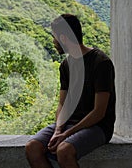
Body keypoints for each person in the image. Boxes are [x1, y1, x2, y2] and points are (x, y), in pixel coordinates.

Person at [25, 14, 116, 168]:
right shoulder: (66, 65)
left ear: (64, 38)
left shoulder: (101, 62)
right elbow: (63, 104)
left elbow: (99, 112)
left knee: (64, 150)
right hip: (68, 124)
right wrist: (58, 130)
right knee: (32, 148)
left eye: (54, 37)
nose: (53, 42)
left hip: (98, 127)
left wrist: (66, 134)